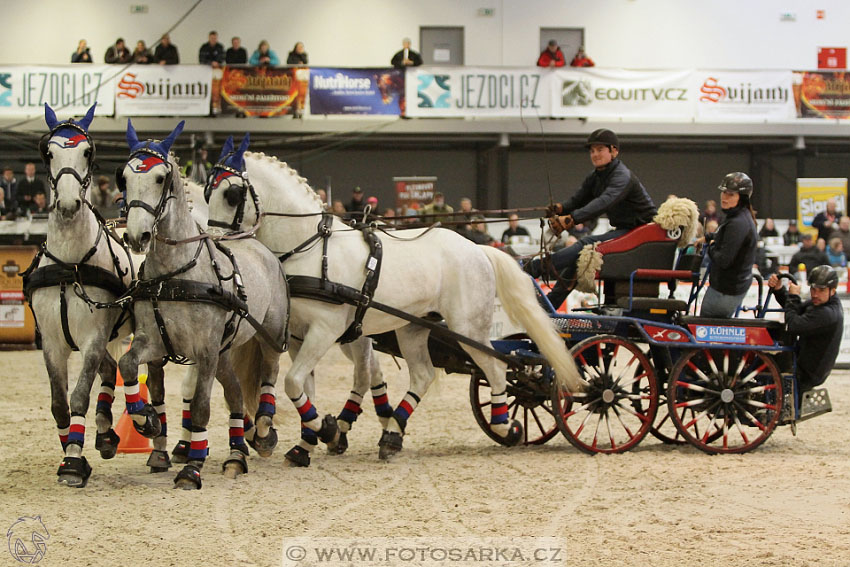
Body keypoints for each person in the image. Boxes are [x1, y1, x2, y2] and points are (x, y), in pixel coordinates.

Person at [524, 129, 657, 310]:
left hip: (640, 235)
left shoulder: (622, 176)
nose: (594, 154)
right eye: (592, 151)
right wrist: (560, 209)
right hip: (626, 232)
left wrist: (571, 219)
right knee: (577, 261)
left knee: (586, 244)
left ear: (614, 151)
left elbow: (604, 201)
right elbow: (577, 200)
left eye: (600, 150)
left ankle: (534, 269)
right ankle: (547, 307)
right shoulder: (596, 176)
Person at [767, 265, 843, 403]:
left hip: (807, 372)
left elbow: (793, 325)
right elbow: (795, 311)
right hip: (802, 360)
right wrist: (779, 290)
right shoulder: (822, 304)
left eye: (821, 290)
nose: (815, 294)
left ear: (833, 290)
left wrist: (793, 297)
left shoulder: (827, 313)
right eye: (813, 289)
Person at [699, 172, 759, 318]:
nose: (724, 197)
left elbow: (723, 260)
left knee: (703, 331)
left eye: (731, 194)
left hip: (725, 291)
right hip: (727, 288)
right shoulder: (738, 218)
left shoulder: (737, 223)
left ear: (742, 197)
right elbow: (725, 238)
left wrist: (711, 245)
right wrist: (708, 238)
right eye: (724, 192)